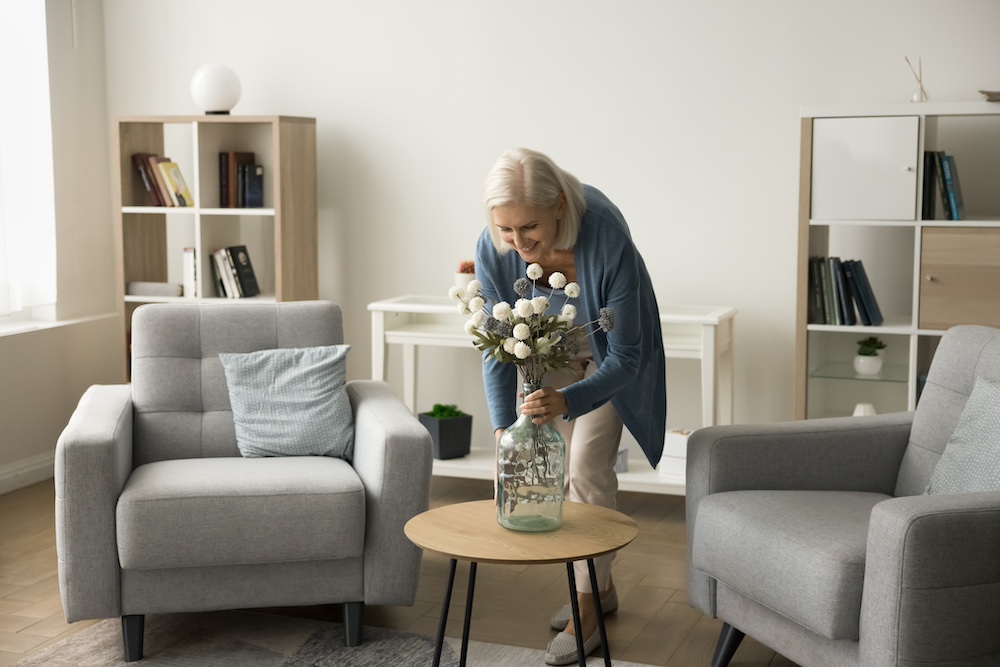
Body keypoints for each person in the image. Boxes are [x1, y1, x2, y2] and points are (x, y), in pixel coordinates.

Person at [476, 147, 667, 665]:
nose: (518, 244)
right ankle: (601, 589)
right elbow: (502, 347)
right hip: (549, 350)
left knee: (587, 466)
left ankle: (588, 611)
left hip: (608, 357)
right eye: (505, 231)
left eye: (529, 230)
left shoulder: (605, 236)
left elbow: (627, 355)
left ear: (559, 204)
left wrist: (569, 399)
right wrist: (500, 429)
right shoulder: (496, 248)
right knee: (548, 463)